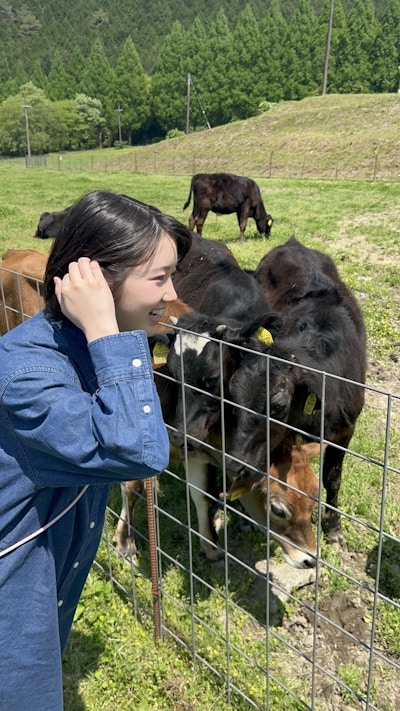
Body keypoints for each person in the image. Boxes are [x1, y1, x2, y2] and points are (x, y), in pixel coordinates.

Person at [0, 189, 192, 710]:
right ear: (98, 282)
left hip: (43, 588)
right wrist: (108, 331)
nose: (173, 293)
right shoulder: (29, 379)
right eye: (159, 278)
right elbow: (138, 453)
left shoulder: (76, 352)